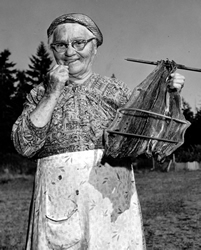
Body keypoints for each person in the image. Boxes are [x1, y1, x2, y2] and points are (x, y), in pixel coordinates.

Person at [11, 13, 185, 250]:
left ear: (95, 48)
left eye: (79, 43)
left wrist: (170, 94)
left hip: (110, 203)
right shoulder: (38, 94)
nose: (70, 52)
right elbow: (24, 144)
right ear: (52, 49)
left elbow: (154, 141)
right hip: (58, 203)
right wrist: (52, 92)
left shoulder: (118, 92)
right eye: (61, 45)